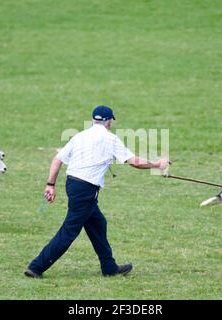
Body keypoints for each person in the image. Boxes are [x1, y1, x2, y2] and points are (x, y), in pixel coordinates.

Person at [25, 105, 170, 279]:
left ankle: (109, 267)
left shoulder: (79, 136)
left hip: (72, 184)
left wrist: (50, 184)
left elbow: (57, 160)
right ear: (109, 122)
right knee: (69, 231)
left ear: (94, 120)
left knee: (98, 224)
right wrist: (157, 164)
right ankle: (36, 267)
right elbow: (135, 162)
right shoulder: (110, 139)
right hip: (86, 189)